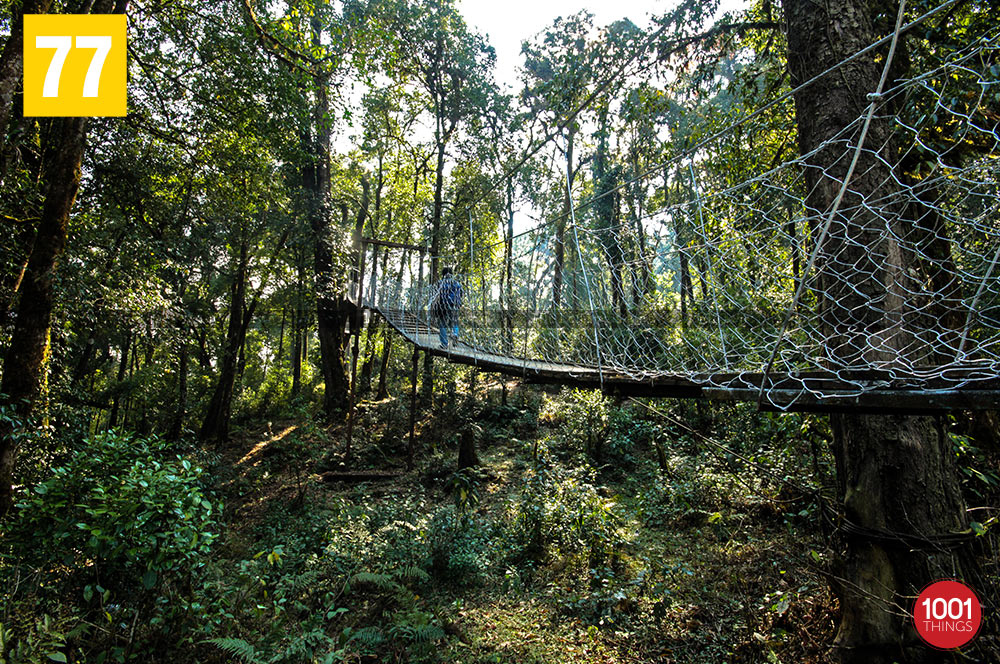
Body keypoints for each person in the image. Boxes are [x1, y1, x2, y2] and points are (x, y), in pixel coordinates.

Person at [431, 267, 463, 349]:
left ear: (443, 274)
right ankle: (455, 334)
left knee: (442, 325)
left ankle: (444, 344)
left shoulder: (440, 283)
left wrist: (433, 309)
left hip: (444, 306)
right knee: (455, 322)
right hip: (455, 306)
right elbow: (461, 294)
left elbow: (436, 296)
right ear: (452, 274)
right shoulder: (457, 283)